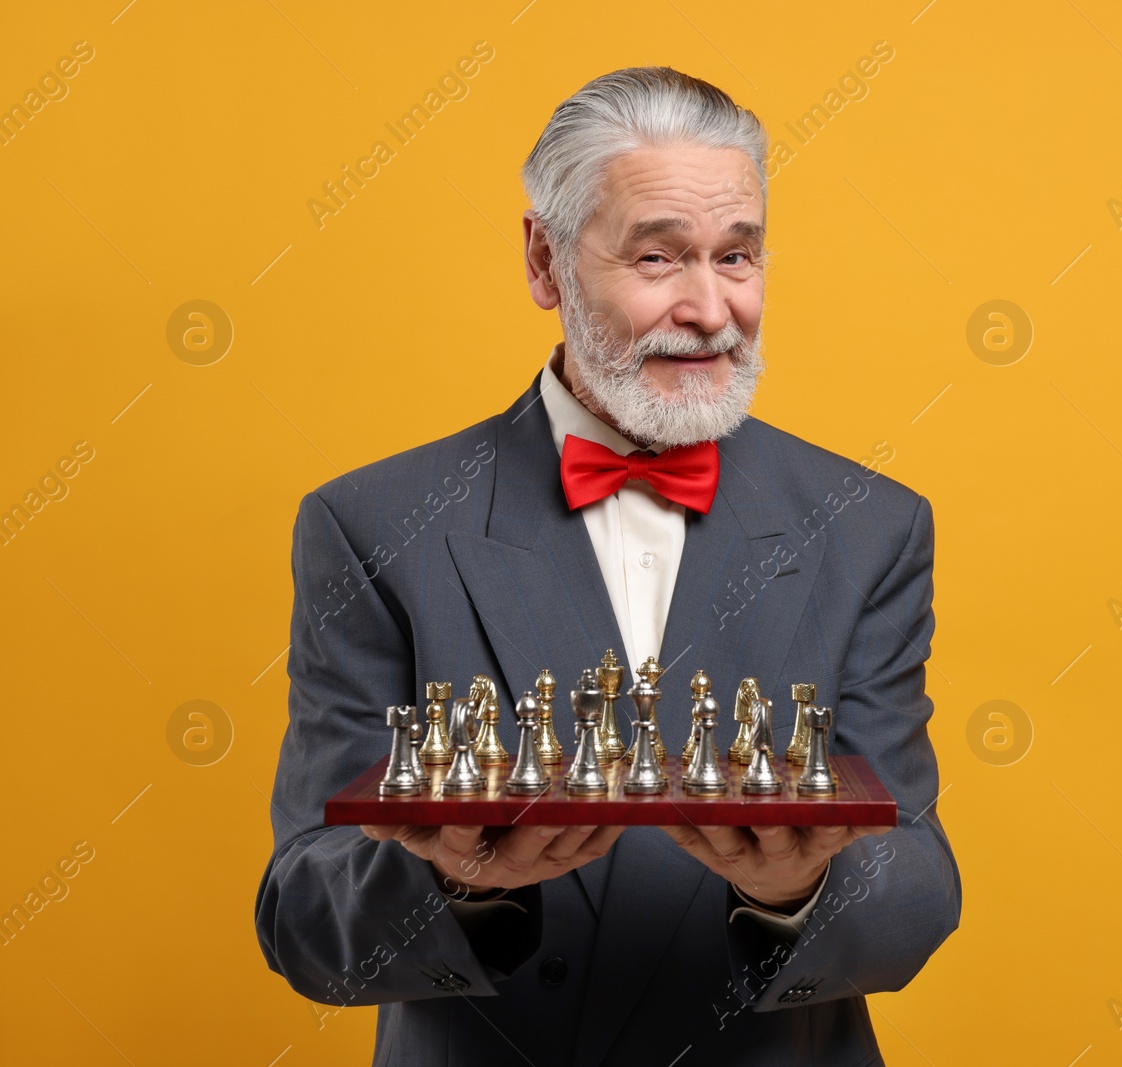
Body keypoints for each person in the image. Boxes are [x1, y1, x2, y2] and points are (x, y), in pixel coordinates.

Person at [254, 66, 960, 1067]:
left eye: (737, 255)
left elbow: (921, 892)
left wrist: (798, 891)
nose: (711, 308)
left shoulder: (870, 527)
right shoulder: (372, 525)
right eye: (658, 256)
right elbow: (302, 918)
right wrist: (460, 886)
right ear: (545, 262)